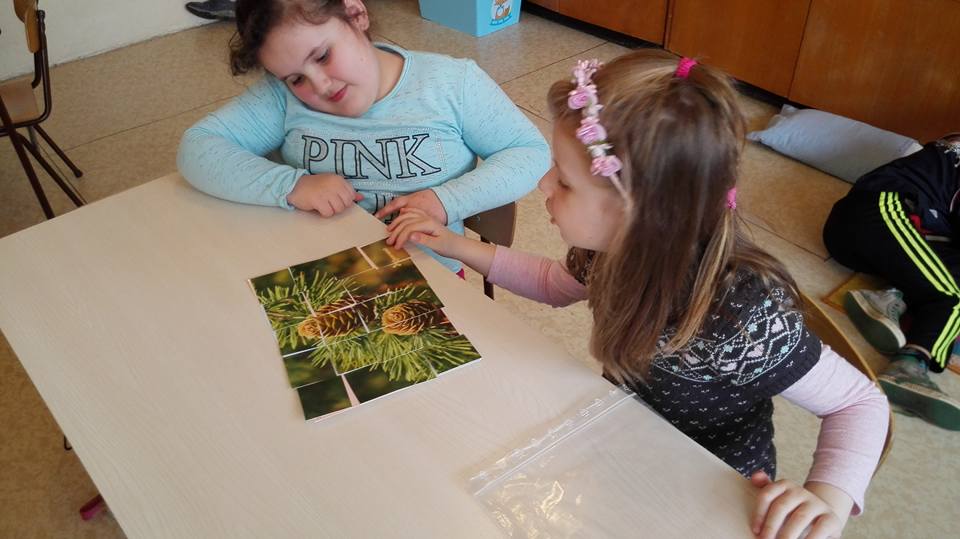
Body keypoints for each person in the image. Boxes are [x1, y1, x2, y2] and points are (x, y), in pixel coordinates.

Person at [386, 51, 890, 538]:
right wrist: (455, 244)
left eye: (564, 181)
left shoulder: (737, 312)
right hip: (624, 448)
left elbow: (859, 405)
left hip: (711, 492)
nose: (543, 184)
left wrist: (827, 500)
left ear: (640, 212)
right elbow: (552, 285)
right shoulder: (609, 249)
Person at [177, 0, 550, 274]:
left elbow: (530, 151)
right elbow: (198, 146)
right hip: (316, 270)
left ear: (356, 14)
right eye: (296, 78)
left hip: (431, 283)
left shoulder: (452, 84)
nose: (320, 86)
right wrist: (292, 185)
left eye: (322, 56)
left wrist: (446, 200)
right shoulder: (281, 97)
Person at [824, 133, 960, 430]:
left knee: (945, 275)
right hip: (883, 210)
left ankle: (887, 298)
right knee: (950, 298)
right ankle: (909, 366)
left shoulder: (948, 156)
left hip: (862, 233)